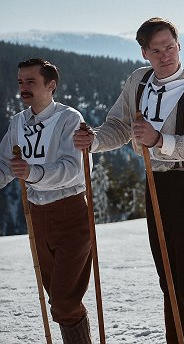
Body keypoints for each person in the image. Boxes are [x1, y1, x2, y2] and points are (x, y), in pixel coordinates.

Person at [73, 18, 184, 343]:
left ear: (179, 45)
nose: (166, 55)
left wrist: (158, 140)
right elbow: (120, 126)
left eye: (170, 46)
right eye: (157, 50)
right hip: (156, 184)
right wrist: (94, 140)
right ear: (144, 52)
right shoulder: (138, 81)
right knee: (167, 279)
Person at [0, 58, 93, 343]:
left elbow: (72, 168)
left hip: (69, 211)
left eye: (31, 81)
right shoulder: (18, 122)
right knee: (58, 299)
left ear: (51, 85)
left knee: (64, 301)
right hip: (37, 215)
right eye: (20, 82)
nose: (23, 88)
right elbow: (4, 165)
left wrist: (32, 173)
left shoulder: (68, 119)